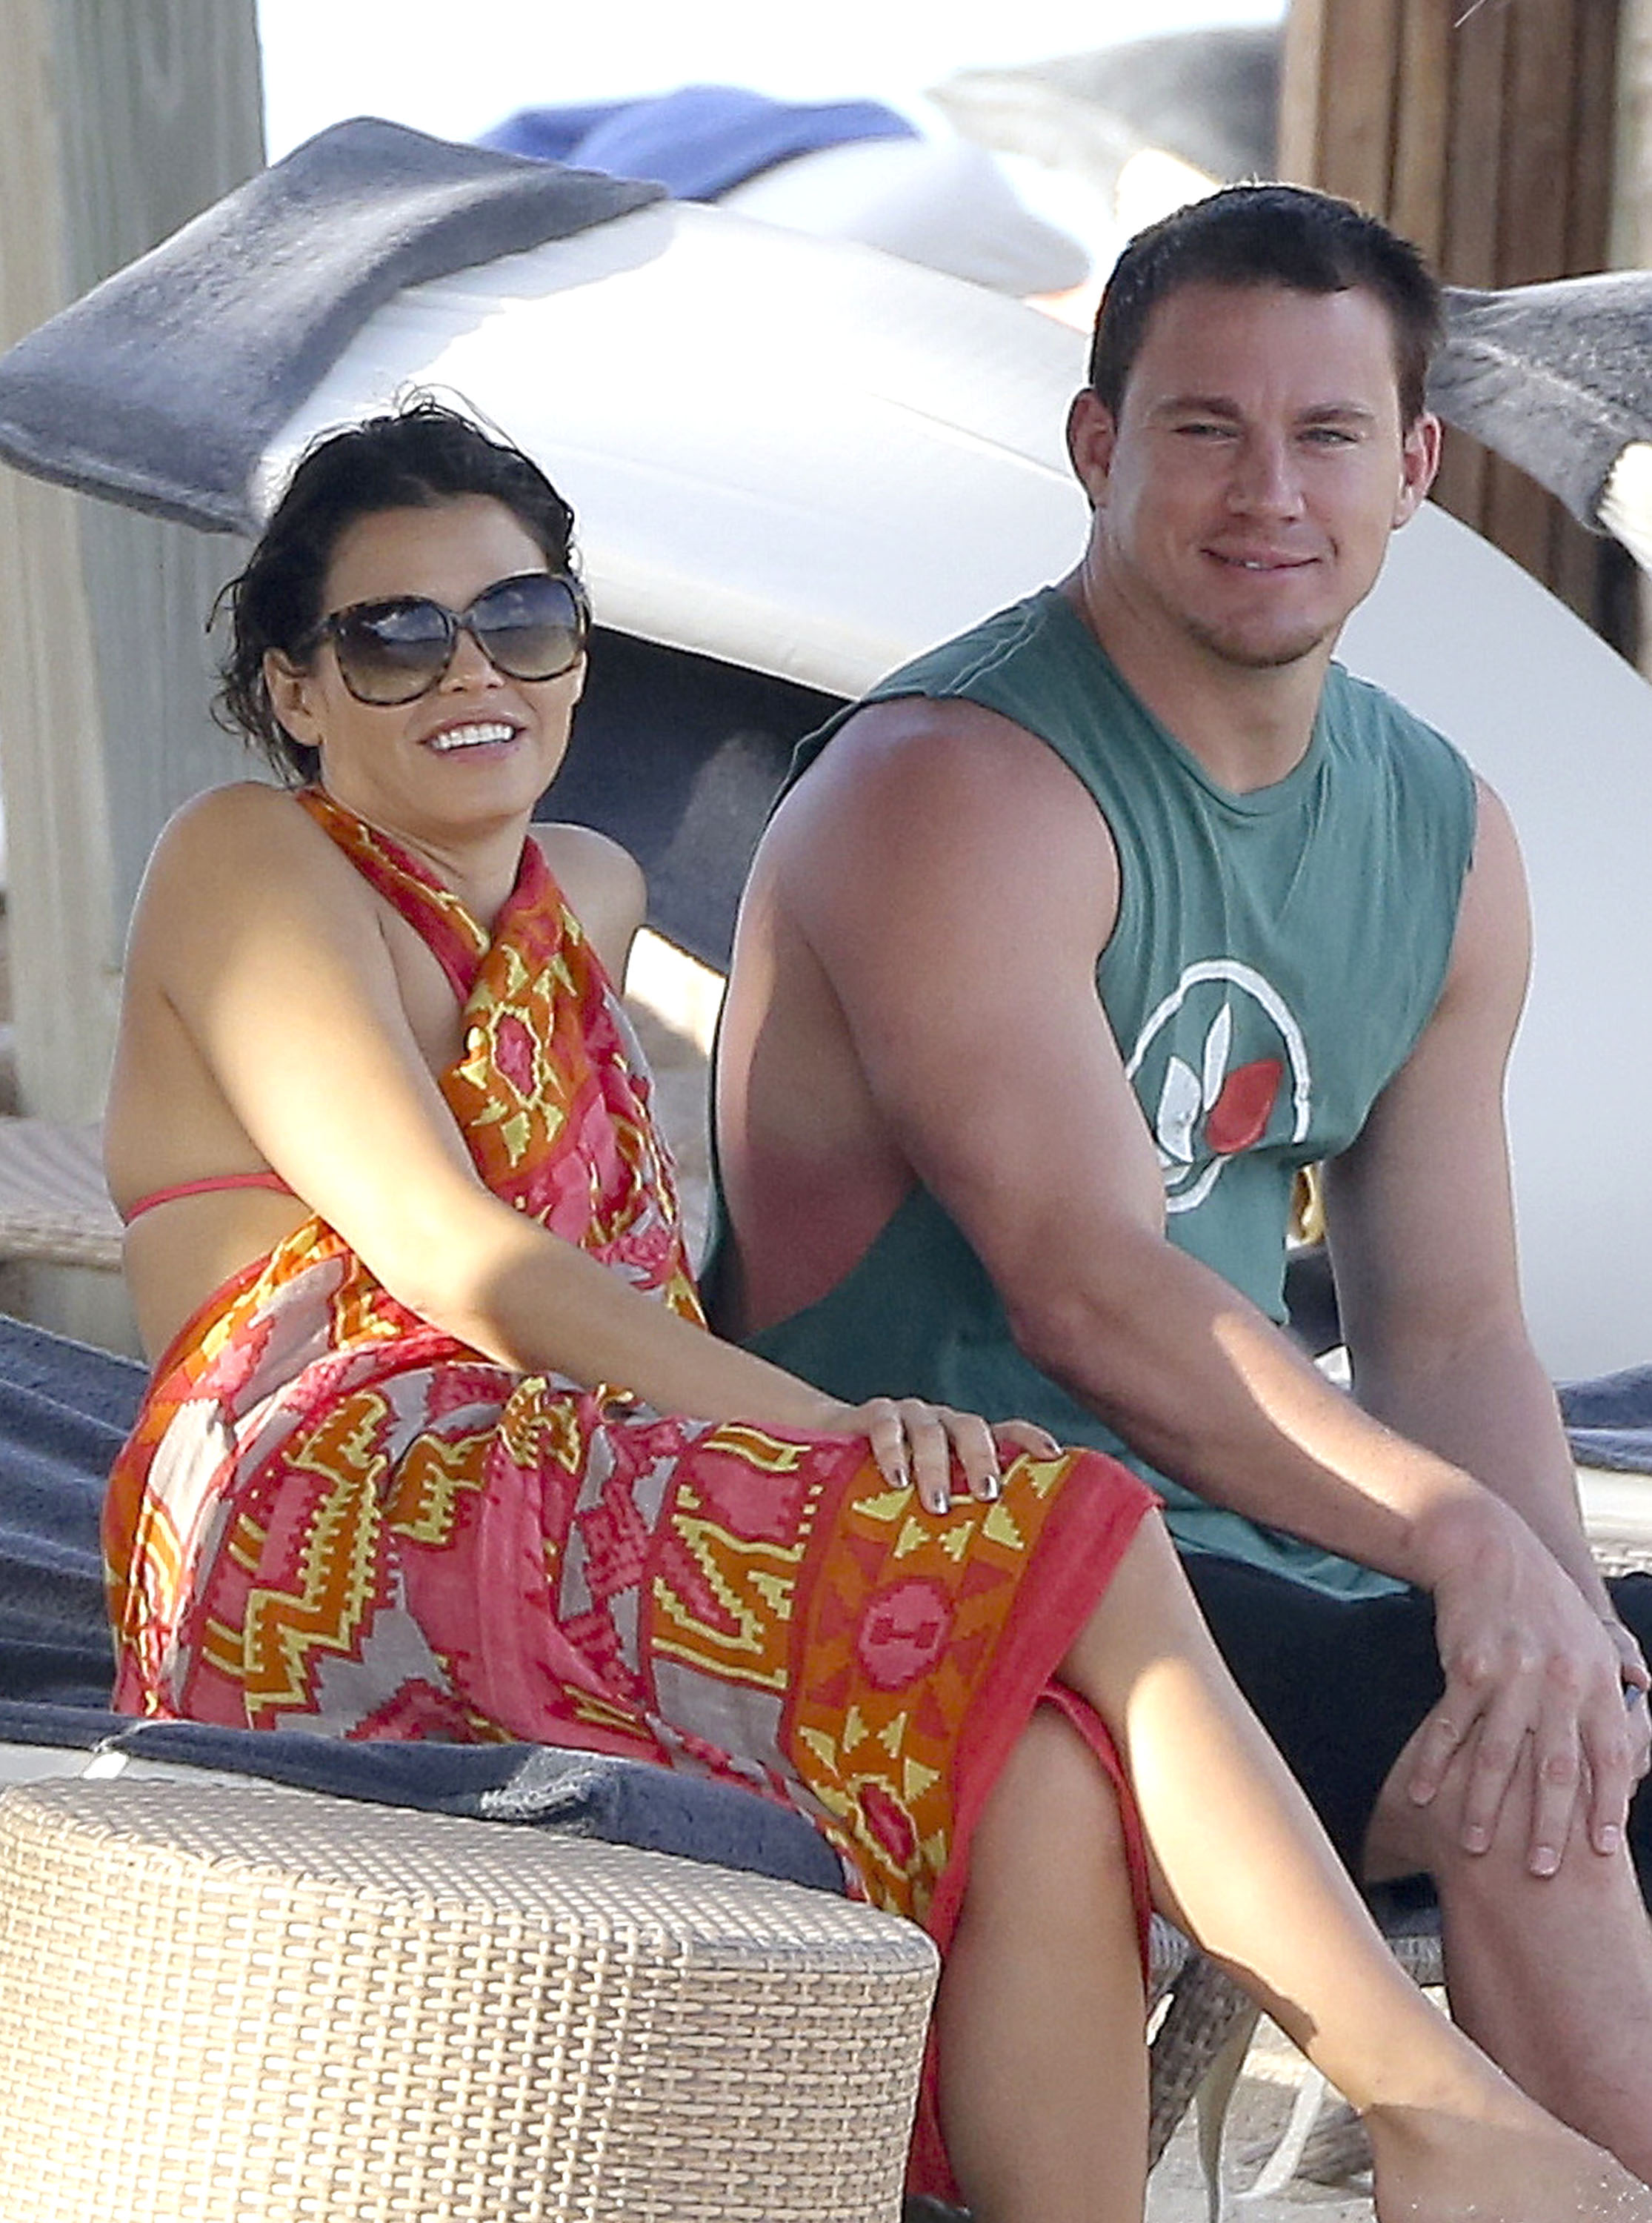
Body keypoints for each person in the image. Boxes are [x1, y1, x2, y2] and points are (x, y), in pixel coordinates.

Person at [101, 398, 1647, 2223]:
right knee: (1065, 1518)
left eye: (519, 621)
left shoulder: (584, 889)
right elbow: (462, 1263)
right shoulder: (250, 858)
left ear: (576, 649)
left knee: (1044, 1763)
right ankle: (1430, 2103)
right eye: (394, 637)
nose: (472, 673)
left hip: (568, 1484)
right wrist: (827, 1436)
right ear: (296, 689)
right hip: (326, 1511)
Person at [709, 181, 1652, 2182]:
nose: (1267, 493)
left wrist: (1561, 1621)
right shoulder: (952, 783)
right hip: (954, 1552)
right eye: (1203, 428)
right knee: (1505, 1768)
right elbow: (1082, 1288)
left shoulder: (1439, 831)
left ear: (1411, 470)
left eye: (1325, 435)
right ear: (1092, 444)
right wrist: (1462, 1559)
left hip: (1256, 1545)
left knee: (1558, 1707)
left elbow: (1448, 1329)